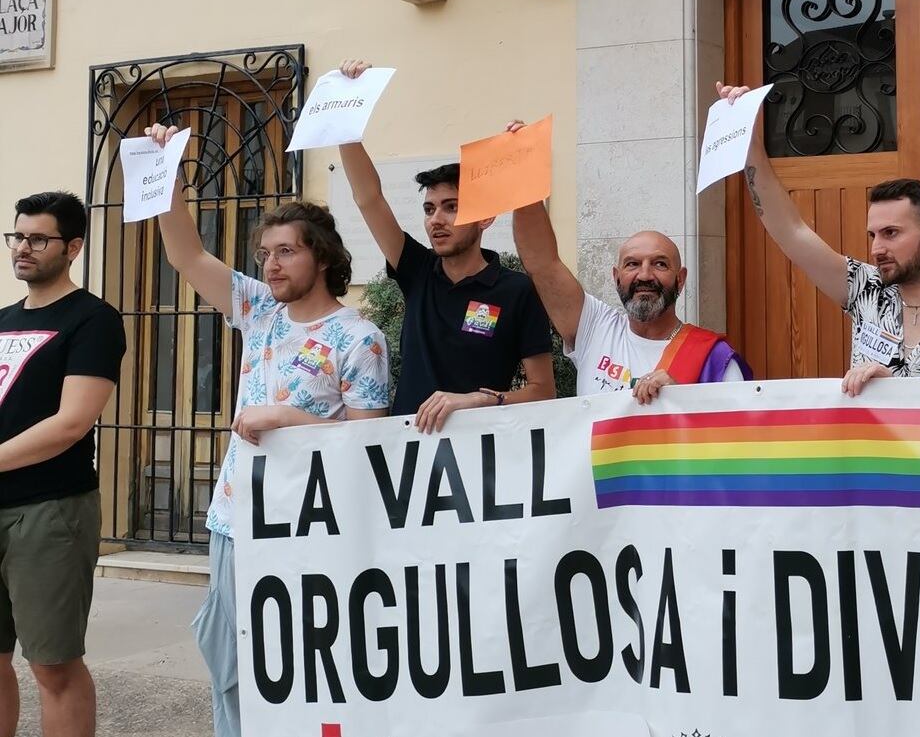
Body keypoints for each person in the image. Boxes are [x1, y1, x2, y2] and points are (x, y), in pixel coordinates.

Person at [146, 124, 391, 737]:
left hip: (312, 524)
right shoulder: (258, 310)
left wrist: (289, 419)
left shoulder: (361, 337)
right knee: (228, 664)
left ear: (324, 256)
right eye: (265, 254)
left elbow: (368, 444)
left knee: (301, 669)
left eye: (286, 251)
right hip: (238, 517)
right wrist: (168, 175)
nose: (272, 264)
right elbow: (185, 255)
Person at [716, 82, 920, 393]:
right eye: (873, 235)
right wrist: (748, 141)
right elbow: (790, 231)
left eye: (891, 233)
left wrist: (897, 388)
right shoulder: (867, 291)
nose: (877, 248)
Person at [336, 59, 554, 428]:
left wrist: (478, 400)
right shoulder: (417, 270)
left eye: (452, 208)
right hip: (406, 454)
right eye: (429, 208)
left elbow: (543, 391)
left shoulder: (517, 290)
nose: (436, 219)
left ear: (486, 217)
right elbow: (368, 198)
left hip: (478, 457)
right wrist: (346, 113)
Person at [0, 191, 125, 737]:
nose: (23, 248)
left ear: (73, 247)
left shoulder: (93, 319)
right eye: (17, 236)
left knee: (51, 664)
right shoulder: (2, 320)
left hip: (50, 510)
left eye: (38, 238)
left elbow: (72, 423)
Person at [506, 121, 748, 400]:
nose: (645, 275)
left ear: (680, 278)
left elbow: (734, 437)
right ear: (616, 276)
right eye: (632, 264)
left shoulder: (714, 358)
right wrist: (523, 171)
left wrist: (684, 400)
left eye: (660, 264)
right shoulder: (594, 328)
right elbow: (542, 264)